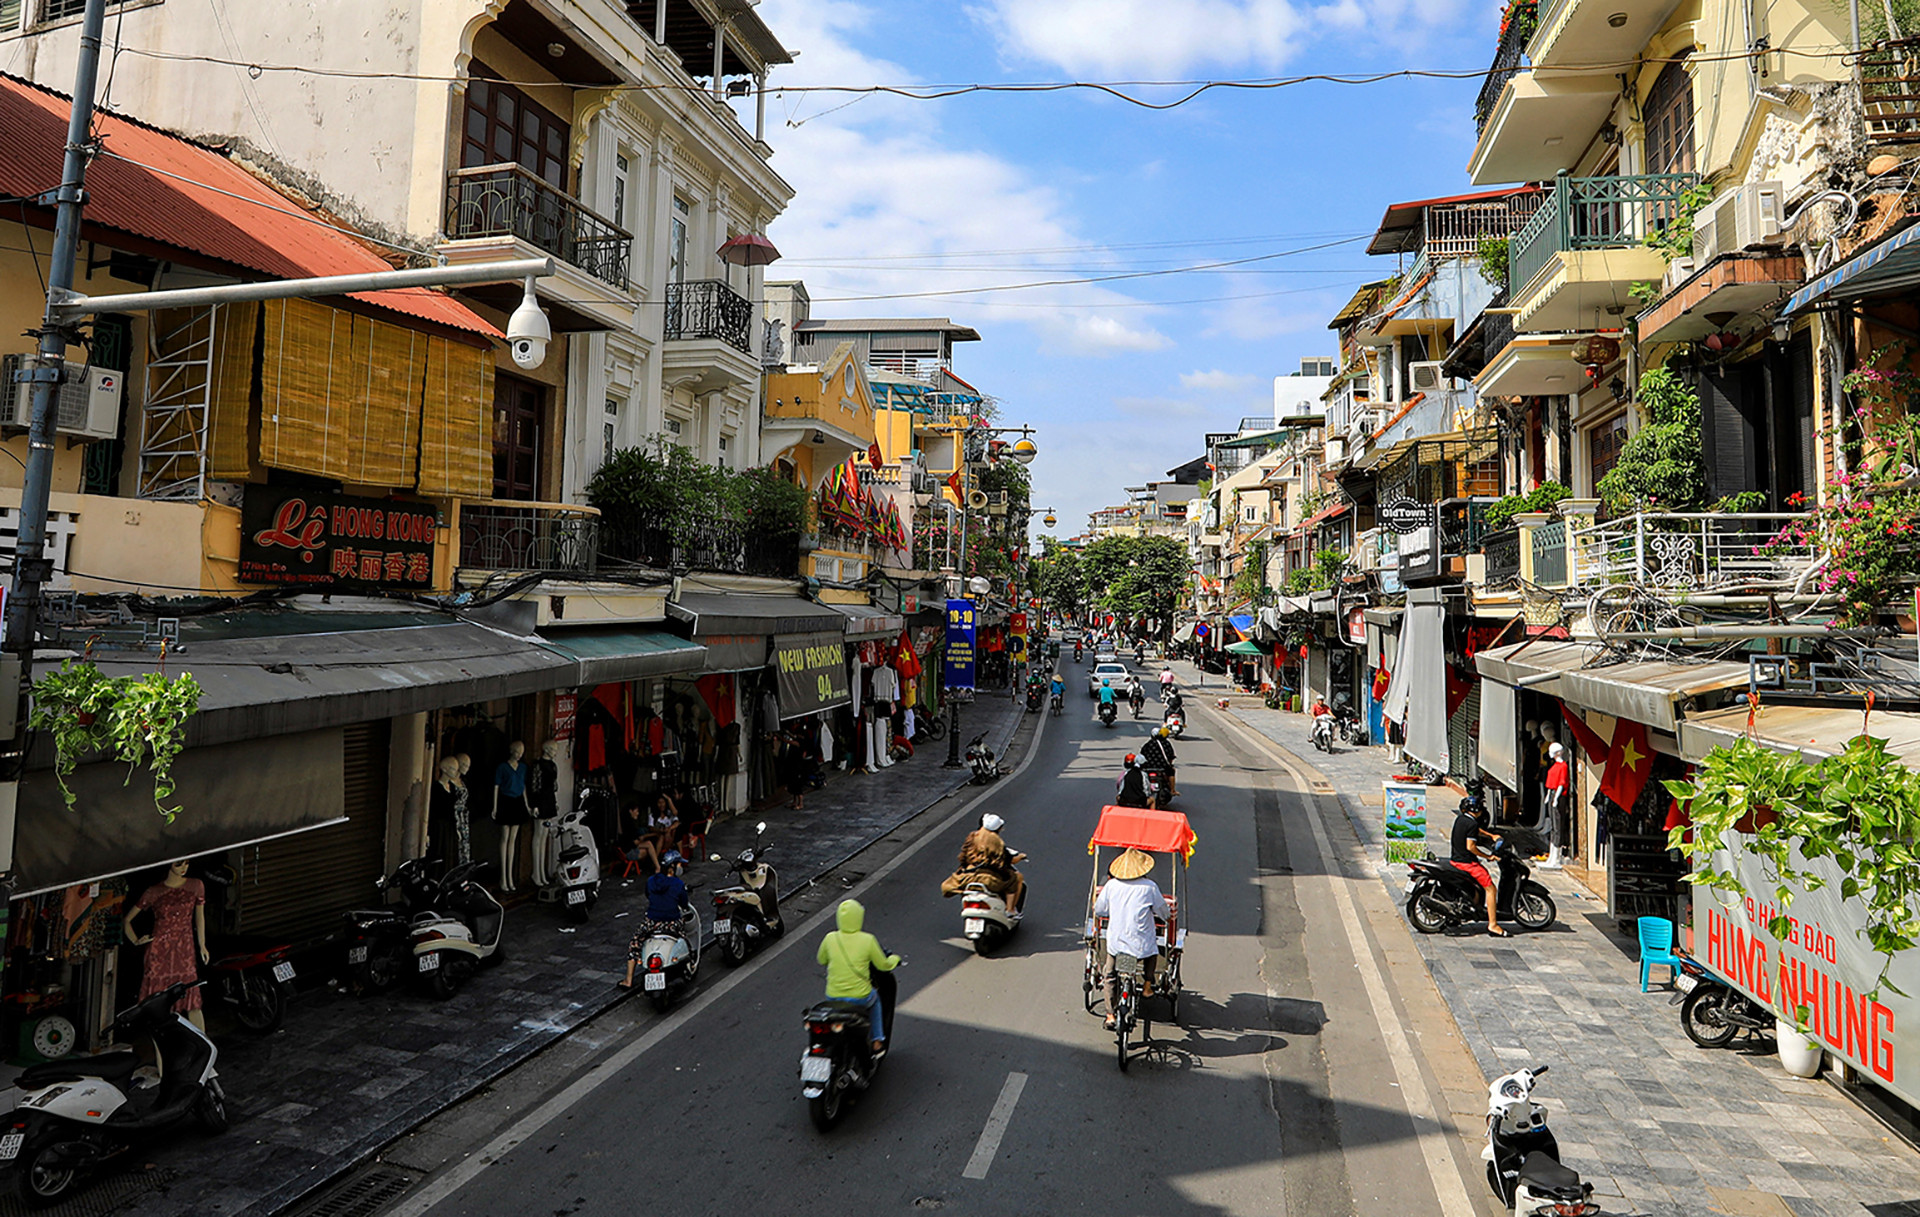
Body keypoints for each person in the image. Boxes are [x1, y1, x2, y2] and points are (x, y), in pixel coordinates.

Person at [1095, 848, 1170, 1030]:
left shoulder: (1111, 886)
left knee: (1110, 975)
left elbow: (1099, 910)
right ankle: (1146, 986)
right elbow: (1164, 913)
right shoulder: (1150, 887)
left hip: (1116, 943)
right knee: (1152, 951)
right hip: (1141, 944)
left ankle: (1110, 1015)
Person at [817, 898, 901, 1055]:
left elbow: (821, 959)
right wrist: (894, 959)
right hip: (860, 997)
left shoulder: (830, 938)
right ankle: (877, 1040)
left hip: (833, 997)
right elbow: (883, 965)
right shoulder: (867, 940)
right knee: (876, 1002)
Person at [622, 851, 693, 988]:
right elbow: (684, 904)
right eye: (678, 864)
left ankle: (628, 979)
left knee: (635, 944)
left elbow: (648, 896)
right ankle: (691, 965)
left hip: (651, 922)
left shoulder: (651, 881)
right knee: (685, 939)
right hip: (672, 922)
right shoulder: (678, 884)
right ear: (672, 867)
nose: (680, 867)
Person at [942, 812, 1026, 913]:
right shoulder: (997, 842)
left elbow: (963, 856)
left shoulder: (972, 837)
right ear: (999, 829)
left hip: (968, 878)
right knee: (1015, 879)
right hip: (989, 880)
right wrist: (1020, 857)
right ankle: (1010, 910)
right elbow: (1008, 861)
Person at [1449, 797, 1507, 937]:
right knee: (1491, 888)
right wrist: (1488, 856)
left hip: (1455, 860)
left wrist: (1491, 836)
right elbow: (1471, 847)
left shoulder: (1461, 819)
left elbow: (1476, 831)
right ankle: (1493, 924)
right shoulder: (1472, 825)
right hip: (1467, 863)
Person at [1541, 742, 1569, 869]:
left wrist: (1556, 798)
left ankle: (1556, 857)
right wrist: (1548, 795)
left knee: (1558, 826)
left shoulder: (1563, 766)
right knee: (1552, 825)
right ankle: (1551, 855)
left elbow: (1562, 783)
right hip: (1552, 793)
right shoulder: (1555, 765)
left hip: (1558, 795)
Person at [1141, 725, 1177, 797]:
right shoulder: (1166, 743)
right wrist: (1169, 764)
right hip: (1162, 767)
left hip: (1148, 767)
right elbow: (1171, 756)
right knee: (1172, 771)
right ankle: (1172, 790)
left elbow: (1142, 755)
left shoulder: (1148, 744)